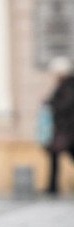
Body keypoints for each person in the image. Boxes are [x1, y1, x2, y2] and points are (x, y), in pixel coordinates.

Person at [46, 56, 74, 195]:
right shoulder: (66, 85)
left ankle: (52, 187)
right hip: (65, 129)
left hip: (66, 130)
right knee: (54, 154)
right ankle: (52, 186)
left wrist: (50, 104)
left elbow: (65, 105)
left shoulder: (68, 86)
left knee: (55, 154)